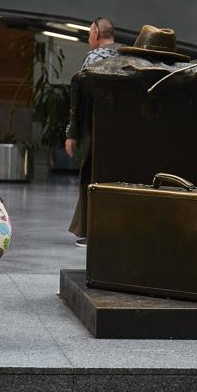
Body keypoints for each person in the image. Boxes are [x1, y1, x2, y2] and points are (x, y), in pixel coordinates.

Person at [64, 17, 119, 246]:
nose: (88, 39)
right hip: (121, 132)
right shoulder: (126, 56)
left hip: (95, 130)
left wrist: (72, 134)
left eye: (89, 34)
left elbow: (81, 99)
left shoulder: (94, 59)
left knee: (90, 177)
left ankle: (90, 231)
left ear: (96, 33)